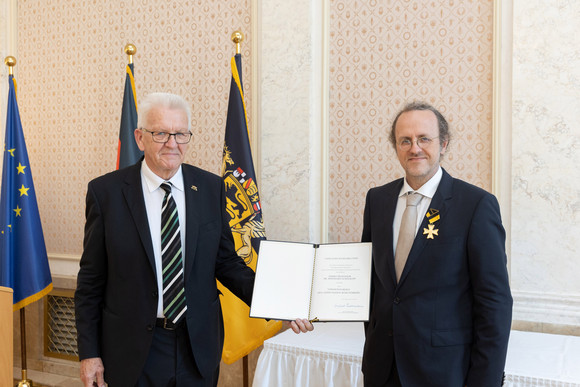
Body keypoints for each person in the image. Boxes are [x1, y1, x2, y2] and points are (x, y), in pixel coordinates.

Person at [75, 92, 312, 387]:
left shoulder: (211, 188)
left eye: (181, 134)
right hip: (132, 351)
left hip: (196, 348)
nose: (172, 143)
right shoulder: (106, 193)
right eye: (161, 133)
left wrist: (279, 305)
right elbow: (90, 282)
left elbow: (228, 264)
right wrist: (89, 354)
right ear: (139, 138)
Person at [361, 101, 512, 386]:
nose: (414, 148)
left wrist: (484, 381)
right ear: (395, 146)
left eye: (424, 139)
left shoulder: (476, 205)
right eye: (405, 140)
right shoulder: (377, 200)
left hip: (444, 373)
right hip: (381, 369)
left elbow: (495, 303)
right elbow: (369, 284)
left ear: (443, 144)